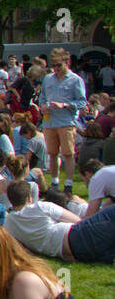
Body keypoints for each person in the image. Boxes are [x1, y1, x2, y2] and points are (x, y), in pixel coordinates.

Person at [41, 49, 87, 193]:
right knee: (52, 153)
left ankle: (68, 184)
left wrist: (65, 105)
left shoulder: (75, 79)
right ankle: (54, 183)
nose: (56, 69)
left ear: (68, 63)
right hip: (49, 121)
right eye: (54, 65)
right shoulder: (48, 78)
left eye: (59, 65)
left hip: (66, 121)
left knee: (68, 153)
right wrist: (43, 106)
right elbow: (42, 96)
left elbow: (82, 102)